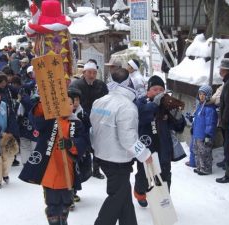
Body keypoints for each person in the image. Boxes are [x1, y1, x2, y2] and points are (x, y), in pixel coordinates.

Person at [90, 68, 152, 225]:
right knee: (116, 197)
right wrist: (144, 154)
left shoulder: (99, 101)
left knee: (123, 197)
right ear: (128, 82)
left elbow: (93, 128)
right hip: (118, 160)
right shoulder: (127, 107)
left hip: (102, 155)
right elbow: (128, 139)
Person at [19, 95, 90, 225]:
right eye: (64, 103)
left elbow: (84, 141)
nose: (68, 106)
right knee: (53, 202)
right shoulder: (49, 120)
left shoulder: (76, 123)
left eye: (70, 103)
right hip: (50, 168)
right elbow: (36, 118)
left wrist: (71, 144)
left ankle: (63, 219)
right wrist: (43, 103)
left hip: (67, 169)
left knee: (66, 201)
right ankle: (54, 221)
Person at [133, 75, 186, 207]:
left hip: (164, 149)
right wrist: (154, 105)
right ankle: (140, 193)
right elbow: (141, 117)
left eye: (160, 89)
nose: (158, 92)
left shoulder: (167, 104)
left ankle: (163, 202)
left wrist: (178, 117)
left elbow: (178, 128)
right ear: (148, 91)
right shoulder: (141, 103)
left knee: (165, 177)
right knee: (143, 177)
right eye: (154, 89)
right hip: (146, 149)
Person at [70, 61, 108, 179]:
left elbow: (107, 101)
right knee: (83, 144)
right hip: (81, 118)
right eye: (89, 72)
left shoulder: (101, 85)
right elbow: (71, 101)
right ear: (84, 72)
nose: (92, 75)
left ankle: (96, 169)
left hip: (98, 118)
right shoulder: (76, 85)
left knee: (97, 144)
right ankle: (81, 168)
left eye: (94, 73)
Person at [192, 85, 218, 175]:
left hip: (204, 135)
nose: (201, 96)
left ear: (208, 95)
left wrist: (208, 135)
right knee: (198, 152)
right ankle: (200, 167)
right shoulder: (200, 105)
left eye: (203, 94)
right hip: (198, 134)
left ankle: (206, 169)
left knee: (205, 152)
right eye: (200, 94)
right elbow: (197, 119)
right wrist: (193, 128)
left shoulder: (210, 108)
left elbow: (210, 123)